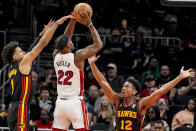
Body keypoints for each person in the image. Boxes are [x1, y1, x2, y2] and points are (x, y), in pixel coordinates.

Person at [1, 15, 73, 131]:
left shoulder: (13, 67)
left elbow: (31, 49)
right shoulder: (22, 63)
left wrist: (41, 34)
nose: (24, 51)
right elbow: (42, 45)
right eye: (20, 51)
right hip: (20, 109)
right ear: (15, 56)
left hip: (15, 109)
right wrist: (55, 26)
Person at [88, 55, 194, 131]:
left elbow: (161, 90)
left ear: (134, 91)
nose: (123, 88)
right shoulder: (117, 100)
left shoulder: (141, 103)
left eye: (127, 87)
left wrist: (180, 77)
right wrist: (92, 65)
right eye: (123, 86)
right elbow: (103, 82)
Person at [52, 11, 103, 131]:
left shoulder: (56, 55)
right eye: (69, 41)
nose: (71, 40)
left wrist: (73, 19)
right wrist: (90, 24)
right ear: (66, 46)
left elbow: (65, 38)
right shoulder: (77, 56)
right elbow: (98, 44)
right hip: (75, 102)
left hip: (60, 103)